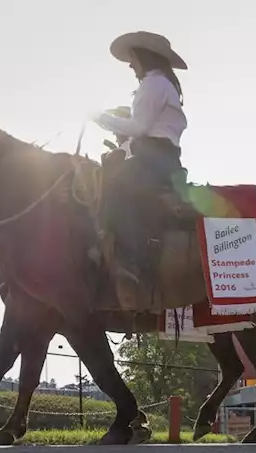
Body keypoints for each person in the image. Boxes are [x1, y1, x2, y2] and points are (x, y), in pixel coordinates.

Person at [91, 31, 190, 290]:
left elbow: (139, 127)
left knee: (113, 183)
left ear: (142, 57)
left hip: (153, 156)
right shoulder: (161, 84)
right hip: (161, 155)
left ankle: (133, 262)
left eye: (132, 58)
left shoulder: (153, 85)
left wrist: (101, 117)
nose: (130, 64)